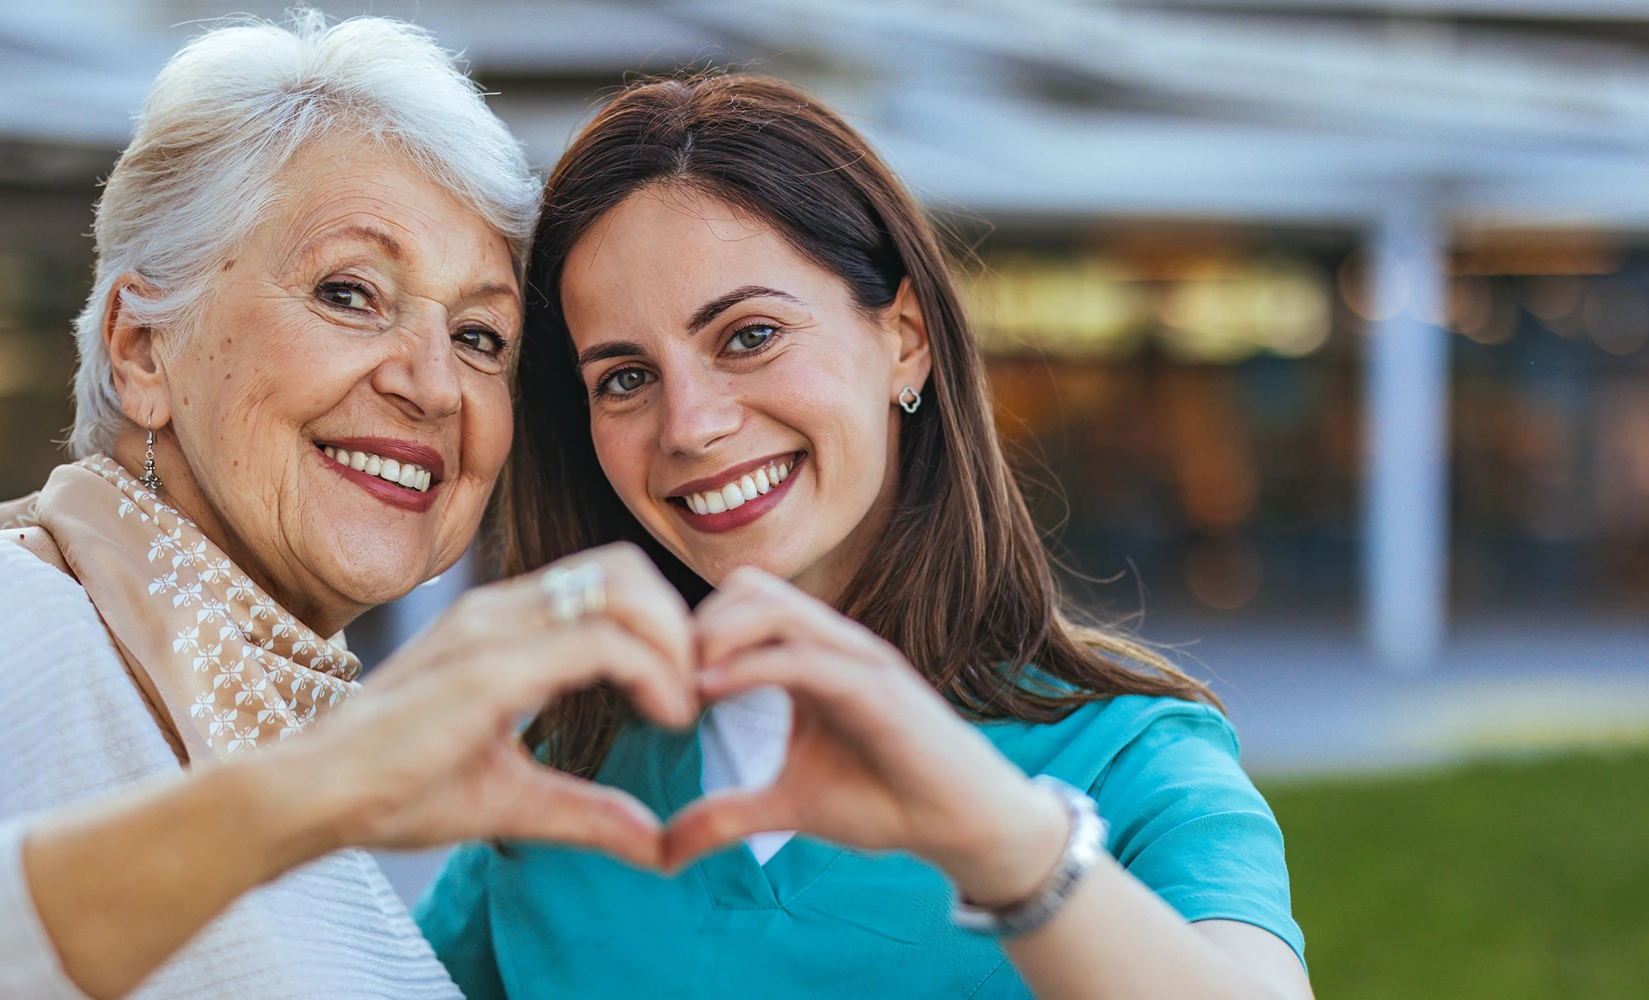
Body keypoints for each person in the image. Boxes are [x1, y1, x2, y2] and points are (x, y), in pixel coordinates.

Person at [0, 15, 703, 1000]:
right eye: (347, 291)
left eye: (479, 336)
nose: (430, 381)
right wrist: (304, 792)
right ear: (140, 351)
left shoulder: (269, 720)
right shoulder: (6, 603)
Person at [416, 74, 1315, 1000]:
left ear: (907, 339)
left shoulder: (1134, 762)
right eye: (625, 377)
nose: (689, 425)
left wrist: (1000, 845)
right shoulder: (558, 788)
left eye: (749, 334)